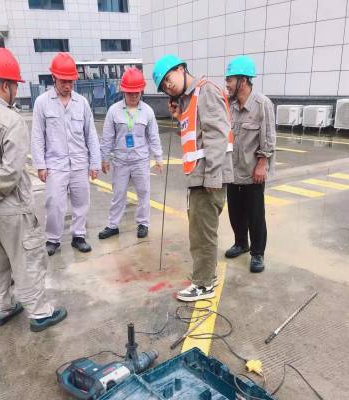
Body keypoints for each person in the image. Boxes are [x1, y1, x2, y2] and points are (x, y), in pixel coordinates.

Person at [0, 47, 67, 332]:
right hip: (9, 208)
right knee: (26, 258)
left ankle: (2, 307)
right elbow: (11, 170)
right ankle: (40, 313)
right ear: (6, 85)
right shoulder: (11, 120)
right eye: (15, 85)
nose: (16, 90)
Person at [152, 55, 233, 302]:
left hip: (208, 177)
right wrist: (179, 116)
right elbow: (195, 136)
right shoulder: (188, 100)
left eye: (168, 79)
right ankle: (207, 275)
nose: (168, 86)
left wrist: (211, 178)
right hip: (198, 176)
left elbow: (218, 136)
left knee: (202, 233)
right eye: (164, 85)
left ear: (181, 69)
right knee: (200, 230)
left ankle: (204, 284)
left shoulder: (205, 91)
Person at [31, 52, 101, 256]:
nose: (68, 85)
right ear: (54, 78)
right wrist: (40, 165)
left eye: (71, 81)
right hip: (55, 163)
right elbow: (37, 136)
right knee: (54, 202)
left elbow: (91, 135)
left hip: (79, 161)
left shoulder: (82, 103)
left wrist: (94, 163)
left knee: (81, 201)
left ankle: (78, 236)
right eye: (63, 81)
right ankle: (53, 239)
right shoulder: (42, 103)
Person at [224, 55, 276, 273]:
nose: (226, 84)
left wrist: (262, 164)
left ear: (243, 81)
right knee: (235, 213)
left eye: (230, 79)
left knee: (255, 215)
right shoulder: (231, 105)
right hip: (233, 171)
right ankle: (241, 243)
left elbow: (269, 138)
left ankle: (257, 253)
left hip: (253, 171)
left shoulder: (262, 104)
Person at [99, 67, 163, 239]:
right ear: (123, 91)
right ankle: (112, 225)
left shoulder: (148, 111)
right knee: (118, 194)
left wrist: (158, 158)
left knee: (144, 193)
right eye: (130, 93)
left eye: (137, 92)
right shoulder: (113, 111)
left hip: (140, 161)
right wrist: (104, 159)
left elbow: (153, 136)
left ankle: (143, 223)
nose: (134, 96)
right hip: (120, 161)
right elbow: (107, 137)